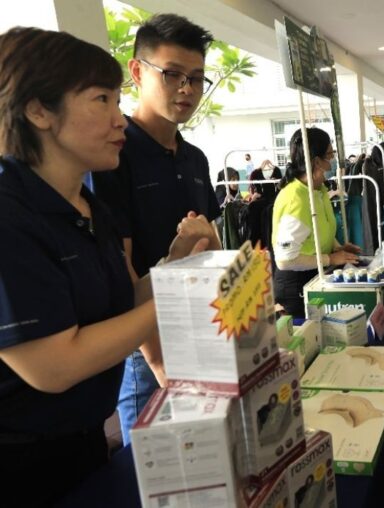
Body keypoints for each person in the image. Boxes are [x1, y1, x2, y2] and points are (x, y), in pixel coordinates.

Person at [0, 27, 217, 506]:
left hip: (83, 442)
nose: (120, 119)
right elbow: (55, 365)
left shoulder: (86, 206)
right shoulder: (11, 215)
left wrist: (175, 264)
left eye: (118, 101)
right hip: (18, 464)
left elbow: (122, 302)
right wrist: (175, 296)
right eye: (102, 100)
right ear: (39, 110)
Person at [92, 13, 222, 444]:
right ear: (136, 72)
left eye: (196, 78)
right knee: (151, 468)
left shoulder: (196, 159)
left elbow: (210, 249)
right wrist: (159, 362)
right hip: (146, 351)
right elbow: (124, 275)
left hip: (201, 333)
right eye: (172, 74)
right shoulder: (113, 157)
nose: (187, 89)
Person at [272, 128, 360, 317]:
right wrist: (331, 259)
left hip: (315, 274)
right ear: (317, 161)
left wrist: (337, 248)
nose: (333, 160)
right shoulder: (296, 199)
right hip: (295, 287)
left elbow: (318, 229)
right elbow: (284, 260)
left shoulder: (319, 191)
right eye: (330, 155)